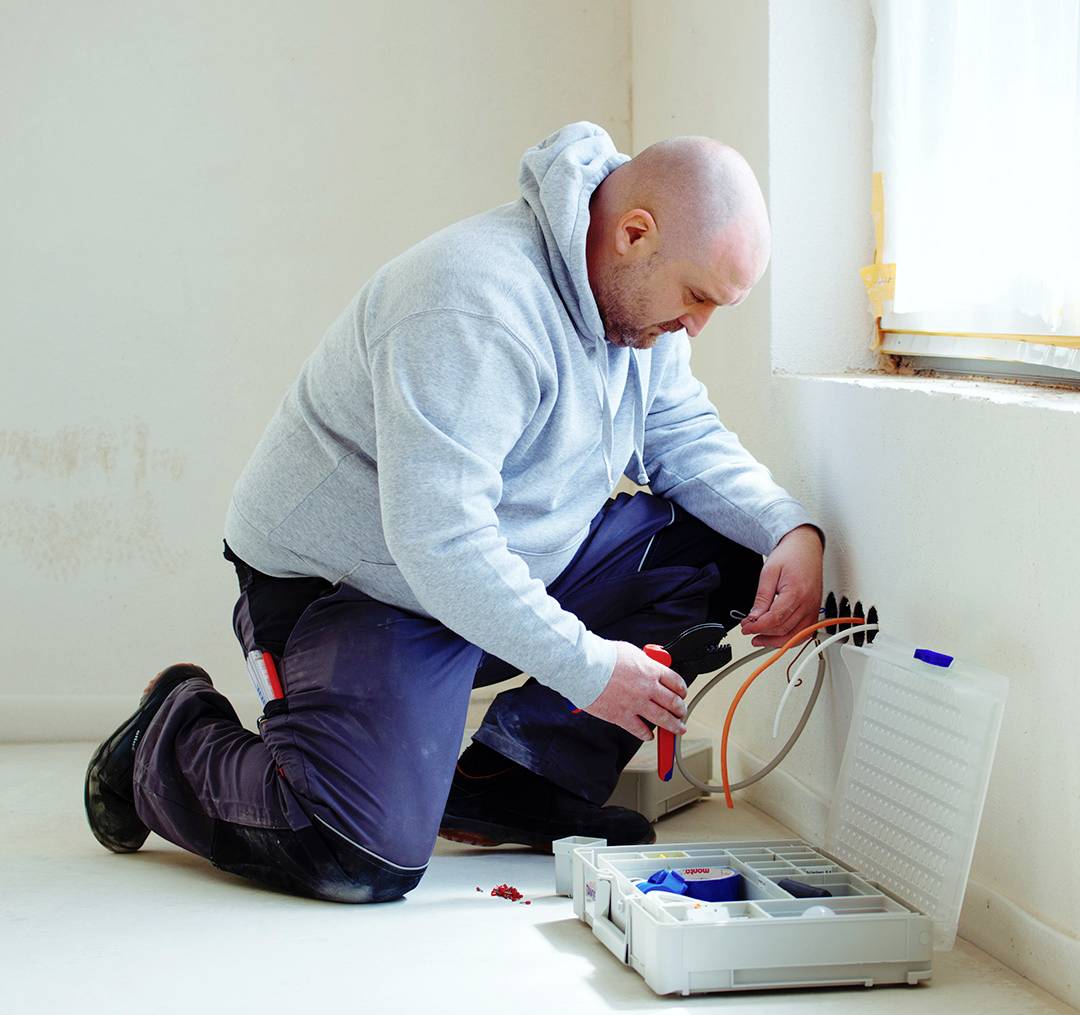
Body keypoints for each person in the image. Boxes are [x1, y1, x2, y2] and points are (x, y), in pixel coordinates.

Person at [85, 122, 824, 903]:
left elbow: (680, 434)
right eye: (698, 296)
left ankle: (513, 778)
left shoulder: (635, 310)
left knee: (734, 547)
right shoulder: (471, 303)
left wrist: (788, 527)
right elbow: (438, 542)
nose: (697, 325)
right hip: (357, 591)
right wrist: (589, 667)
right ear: (635, 234)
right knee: (355, 855)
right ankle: (163, 744)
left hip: (498, 565)